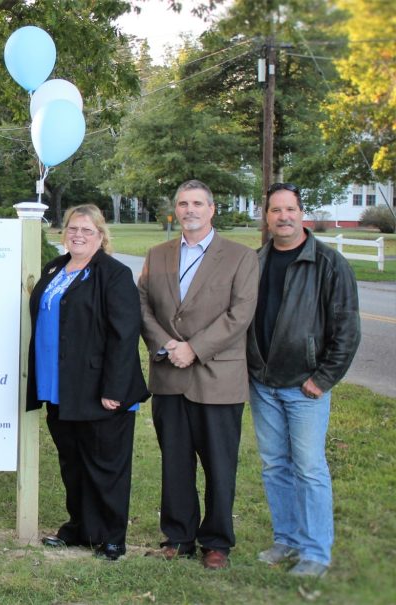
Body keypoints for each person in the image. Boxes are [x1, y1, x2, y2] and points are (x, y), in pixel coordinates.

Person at [138, 179, 259, 570]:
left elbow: (240, 315)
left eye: (197, 203)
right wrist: (168, 344)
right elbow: (141, 306)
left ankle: (217, 542)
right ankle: (178, 536)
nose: (189, 210)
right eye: (182, 203)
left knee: (219, 465)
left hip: (217, 377)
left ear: (212, 209)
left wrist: (195, 348)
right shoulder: (158, 255)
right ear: (176, 210)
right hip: (169, 375)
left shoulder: (241, 257)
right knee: (174, 462)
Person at [247, 183, 360, 578]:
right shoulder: (256, 261)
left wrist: (323, 378)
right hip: (263, 382)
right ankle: (287, 539)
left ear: (302, 212)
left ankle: (315, 551)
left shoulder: (328, 264)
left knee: (309, 468)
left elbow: (347, 330)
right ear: (267, 216)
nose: (283, 217)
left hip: (304, 385)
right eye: (276, 210)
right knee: (275, 465)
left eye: (290, 209)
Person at [26, 204, 149, 562]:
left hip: (100, 390)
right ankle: (79, 528)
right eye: (73, 228)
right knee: (73, 464)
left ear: (100, 235)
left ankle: (110, 537)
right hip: (59, 387)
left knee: (104, 466)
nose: (78, 235)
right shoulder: (54, 269)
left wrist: (114, 388)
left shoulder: (113, 274)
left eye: (87, 230)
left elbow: (125, 335)